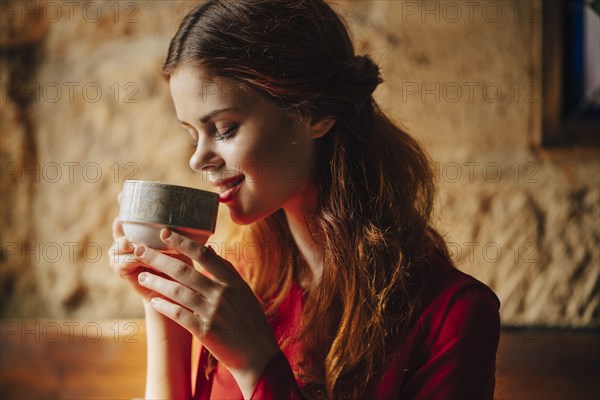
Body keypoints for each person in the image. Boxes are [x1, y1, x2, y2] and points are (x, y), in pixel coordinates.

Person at [109, 0, 501, 399]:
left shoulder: (452, 315)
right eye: (193, 134)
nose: (198, 159)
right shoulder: (245, 285)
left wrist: (256, 363)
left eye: (224, 129)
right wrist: (162, 304)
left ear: (316, 112)